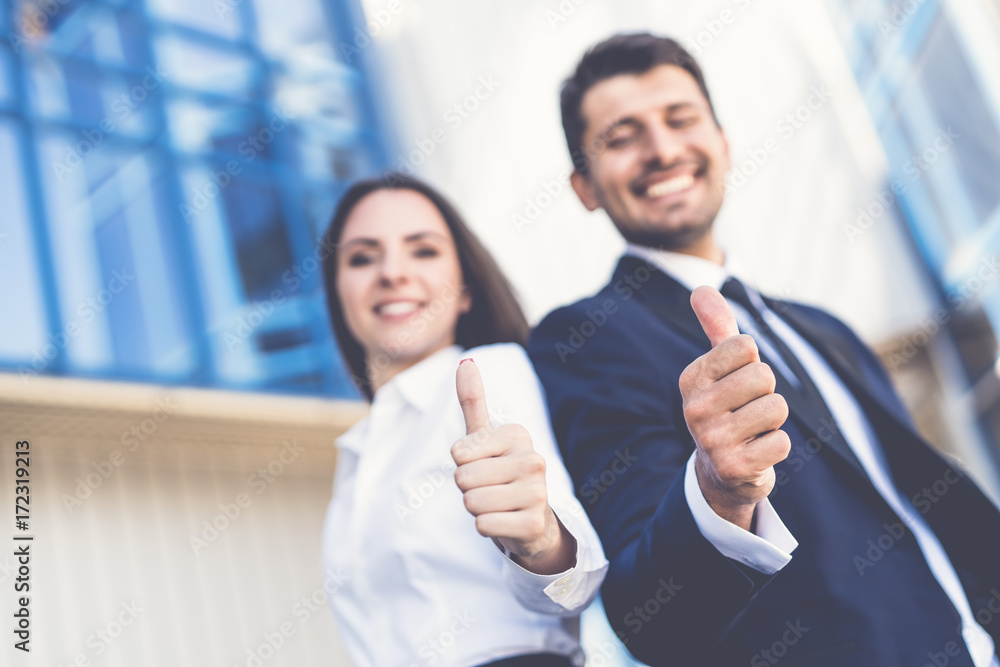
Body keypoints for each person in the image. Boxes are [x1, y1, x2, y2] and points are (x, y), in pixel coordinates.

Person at [524, 33, 1000, 665]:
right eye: (621, 136)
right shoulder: (588, 338)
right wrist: (718, 491)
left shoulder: (824, 328)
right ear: (584, 186)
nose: (662, 149)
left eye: (680, 119)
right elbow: (650, 615)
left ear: (722, 143)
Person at [319, 174, 608, 667]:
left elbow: (574, 584)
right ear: (338, 294)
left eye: (423, 251)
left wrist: (540, 539)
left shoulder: (485, 373)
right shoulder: (358, 453)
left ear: (466, 291)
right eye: (362, 257)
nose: (392, 272)